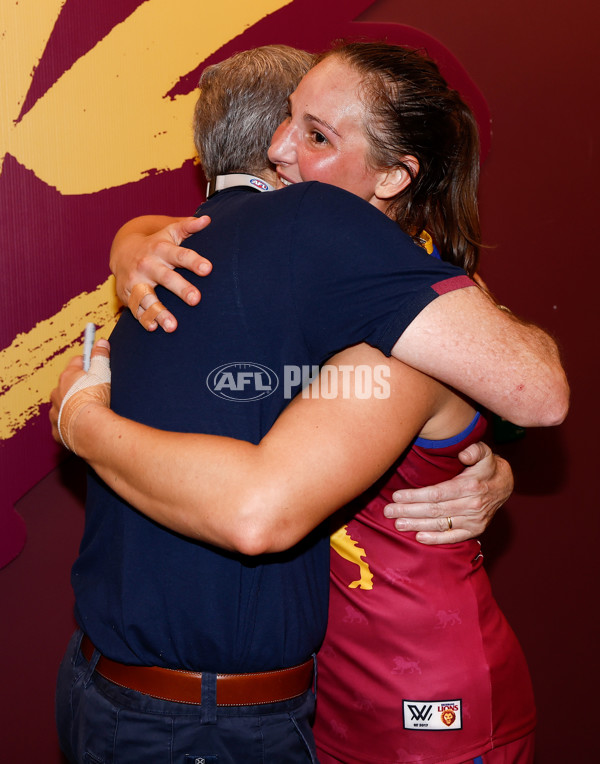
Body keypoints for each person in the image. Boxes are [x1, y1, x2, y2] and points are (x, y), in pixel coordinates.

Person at [50, 44, 566, 764]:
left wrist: (82, 420)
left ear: (393, 175)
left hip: (413, 685)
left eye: (318, 135)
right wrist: (131, 239)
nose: (279, 150)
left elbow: (530, 392)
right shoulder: (319, 282)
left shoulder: (418, 317)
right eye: (287, 121)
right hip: (321, 681)